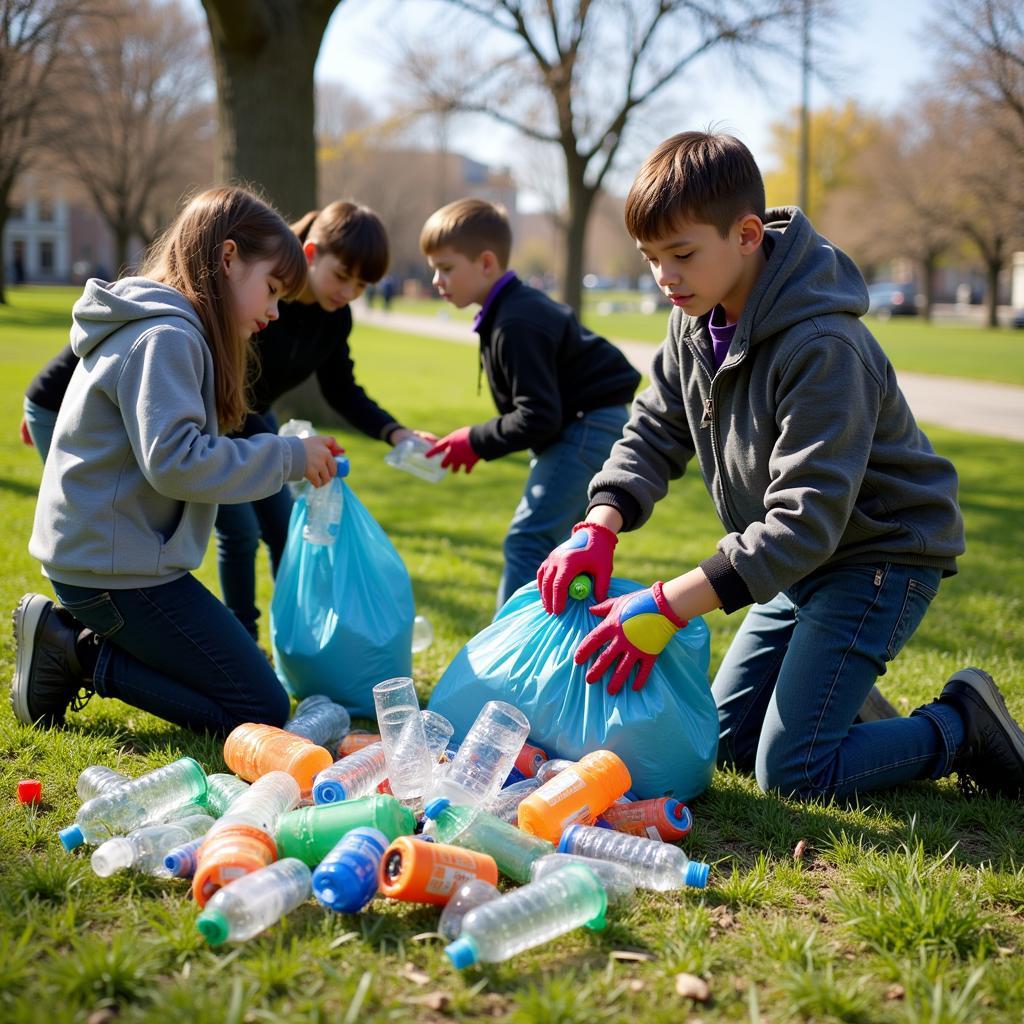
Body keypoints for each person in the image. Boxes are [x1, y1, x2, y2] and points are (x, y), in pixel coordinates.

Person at [536, 131, 1024, 801]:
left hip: (879, 558)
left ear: (744, 234)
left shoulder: (824, 345)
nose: (664, 278)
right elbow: (655, 426)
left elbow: (806, 520)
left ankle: (960, 726)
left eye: (680, 255)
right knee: (726, 744)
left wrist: (666, 603)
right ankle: (840, 708)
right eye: (651, 259)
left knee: (793, 773)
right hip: (799, 563)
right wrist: (599, 525)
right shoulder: (695, 318)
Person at [11, 186, 341, 735]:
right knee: (258, 710)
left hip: (114, 562)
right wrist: (286, 456)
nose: (274, 311)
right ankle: (77, 654)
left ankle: (75, 642)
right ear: (229, 258)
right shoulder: (166, 336)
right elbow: (178, 463)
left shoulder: (167, 327)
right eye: (272, 289)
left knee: (253, 693)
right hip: (111, 572)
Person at [19, 199, 431, 640]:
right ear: (311, 254)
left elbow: (340, 388)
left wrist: (394, 432)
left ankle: (287, 634)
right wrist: (61, 403)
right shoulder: (244, 290)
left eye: (362, 285)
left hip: (235, 415)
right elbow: (114, 343)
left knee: (279, 522)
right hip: (82, 406)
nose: (348, 292)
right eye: (342, 276)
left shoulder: (326, 316)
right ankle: (92, 640)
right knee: (208, 528)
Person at [419, 198, 641, 610]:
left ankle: (508, 661)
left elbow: (539, 416)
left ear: (486, 263)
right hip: (582, 425)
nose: (436, 279)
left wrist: (477, 440)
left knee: (528, 540)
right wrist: (477, 442)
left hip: (587, 426)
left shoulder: (516, 320)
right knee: (559, 546)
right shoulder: (506, 312)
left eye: (446, 268)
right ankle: (561, 642)